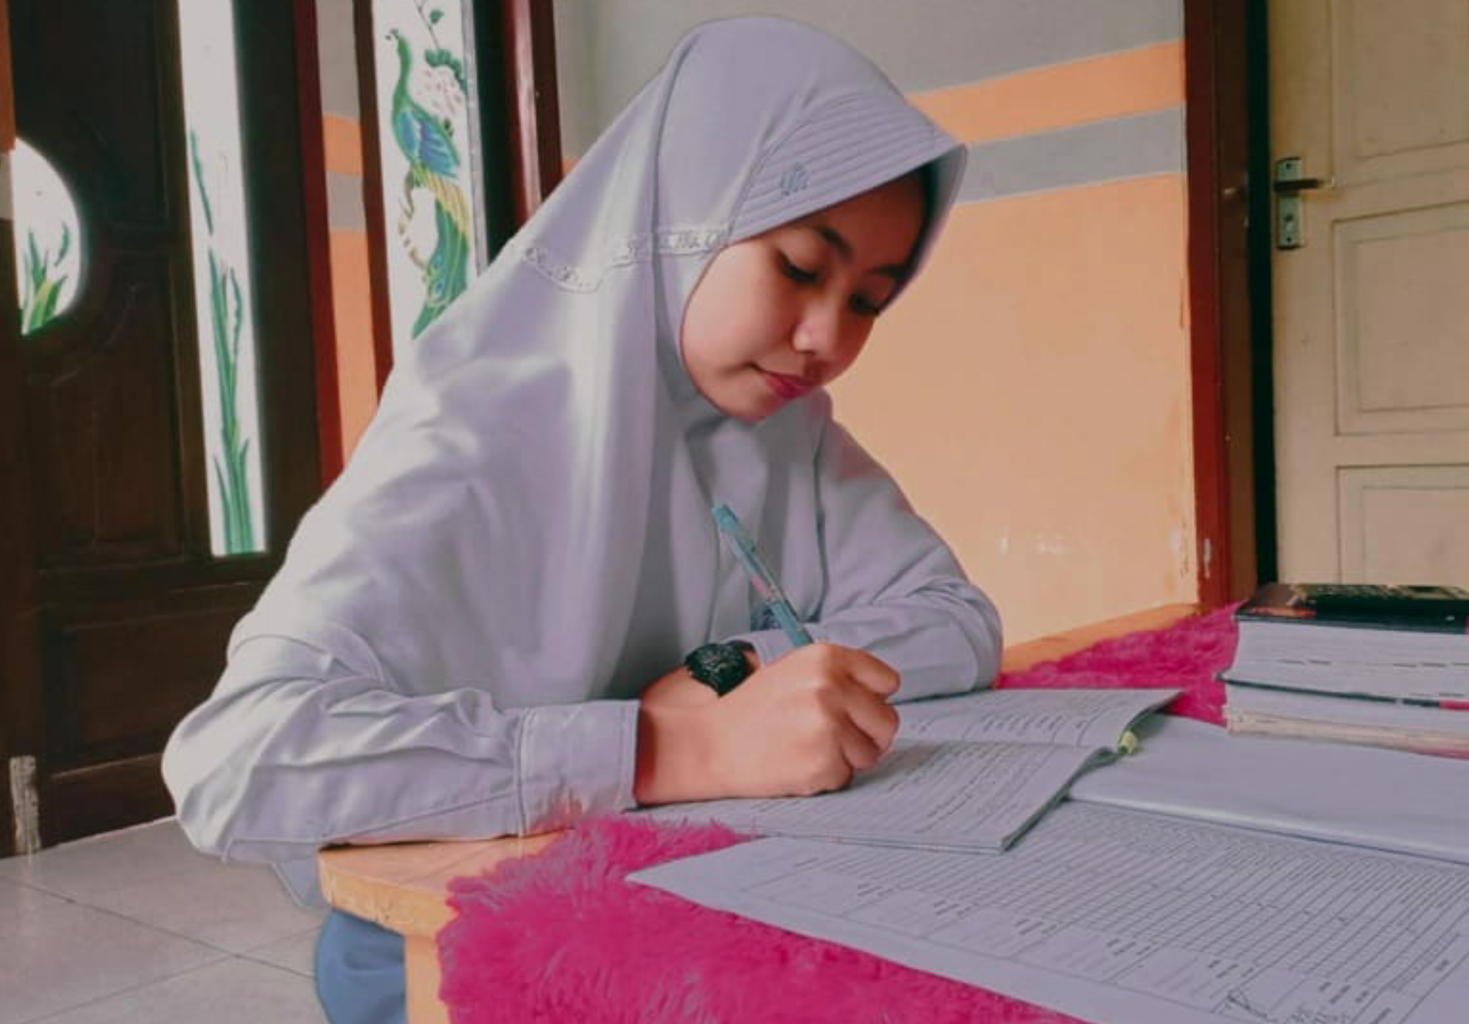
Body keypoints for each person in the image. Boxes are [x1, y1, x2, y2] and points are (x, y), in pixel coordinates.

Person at [162, 15, 1002, 1024]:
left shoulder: (789, 430)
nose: (827, 338)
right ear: (681, 213)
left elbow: (954, 615)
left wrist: (724, 674)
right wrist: (657, 749)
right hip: (463, 937)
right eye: (797, 266)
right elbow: (237, 764)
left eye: (870, 300)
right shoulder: (474, 429)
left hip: (683, 892)